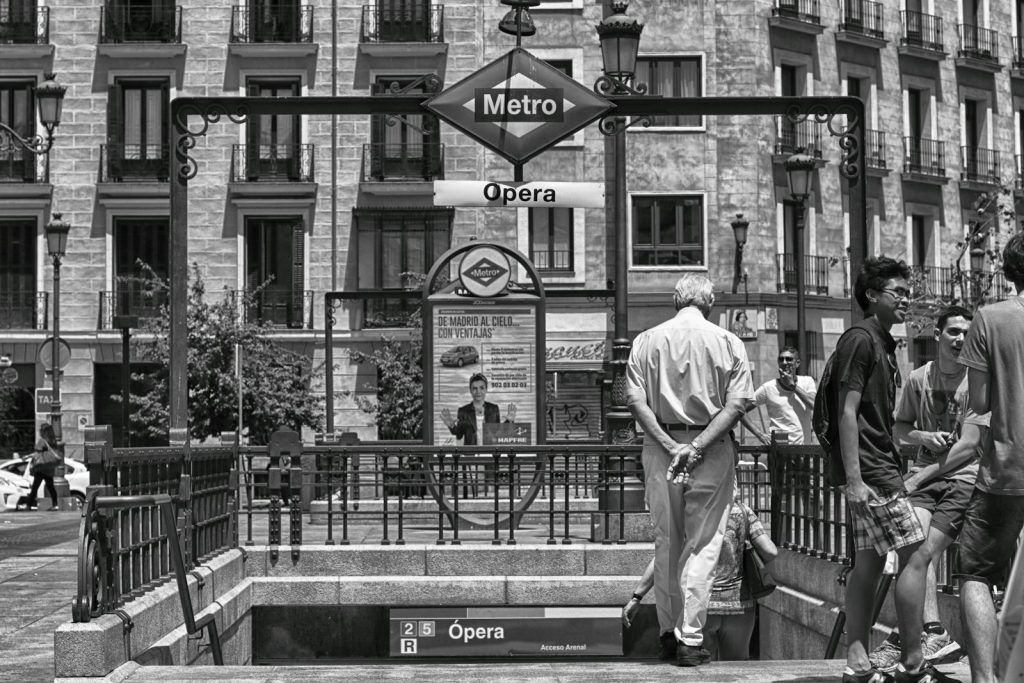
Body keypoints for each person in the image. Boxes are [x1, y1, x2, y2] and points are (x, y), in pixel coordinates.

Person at [625, 273, 754, 667]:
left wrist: (671, 447)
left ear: (676, 300)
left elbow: (634, 400)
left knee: (667, 542)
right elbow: (737, 405)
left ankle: (667, 634)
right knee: (703, 545)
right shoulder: (729, 341)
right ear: (709, 302)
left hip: (660, 448)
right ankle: (690, 639)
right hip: (710, 450)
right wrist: (696, 447)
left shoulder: (645, 340)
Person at [830, 257, 936, 683]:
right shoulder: (862, 339)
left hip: (874, 468)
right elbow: (847, 412)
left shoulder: (880, 341)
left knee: (870, 563)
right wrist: (855, 481)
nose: (906, 300)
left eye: (908, 293)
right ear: (872, 296)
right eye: (899, 293)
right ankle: (913, 661)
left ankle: (858, 662)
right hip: (874, 473)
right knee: (917, 552)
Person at [867, 306, 974, 672]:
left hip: (963, 477)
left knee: (923, 550)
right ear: (938, 334)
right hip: (925, 477)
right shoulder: (918, 378)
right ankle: (929, 631)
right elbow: (899, 429)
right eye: (954, 332)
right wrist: (924, 436)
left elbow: (971, 446)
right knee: (911, 546)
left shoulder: (978, 379)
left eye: (966, 333)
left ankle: (909, 636)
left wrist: (918, 476)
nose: (960, 339)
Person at [957, 232, 1024, 683]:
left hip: (1006, 469)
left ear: (1007, 270)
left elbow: (979, 401)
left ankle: (985, 679)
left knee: (976, 572)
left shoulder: (990, 318)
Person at [622, 494, 778, 661]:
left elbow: (663, 560)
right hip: (740, 605)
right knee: (737, 665)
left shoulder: (690, 513)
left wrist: (637, 597)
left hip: (701, 606)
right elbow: (770, 552)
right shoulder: (744, 512)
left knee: (701, 668)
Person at [740, 346, 817, 445]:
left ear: (797, 363)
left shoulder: (807, 381)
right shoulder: (768, 388)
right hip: (779, 450)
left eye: (789, 359)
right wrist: (760, 434)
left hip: (803, 450)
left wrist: (793, 386)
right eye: (781, 359)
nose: (784, 362)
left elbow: (813, 405)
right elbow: (739, 410)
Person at [441, 373, 516, 446]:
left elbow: (498, 433)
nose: (478, 392)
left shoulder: (494, 409)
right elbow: (459, 435)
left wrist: (509, 421)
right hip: (471, 455)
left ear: (486, 389)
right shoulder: (463, 411)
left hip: (490, 454)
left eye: (482, 388)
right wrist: (451, 425)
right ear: (470, 390)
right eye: (475, 388)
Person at [25, 423, 60, 511]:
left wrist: (28, 456)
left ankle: (28, 505)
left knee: (35, 487)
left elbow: (38, 453)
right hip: (49, 468)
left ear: (44, 431)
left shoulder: (42, 440)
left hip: (41, 467)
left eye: (41, 430)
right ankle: (55, 504)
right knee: (51, 487)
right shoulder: (53, 440)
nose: (39, 431)